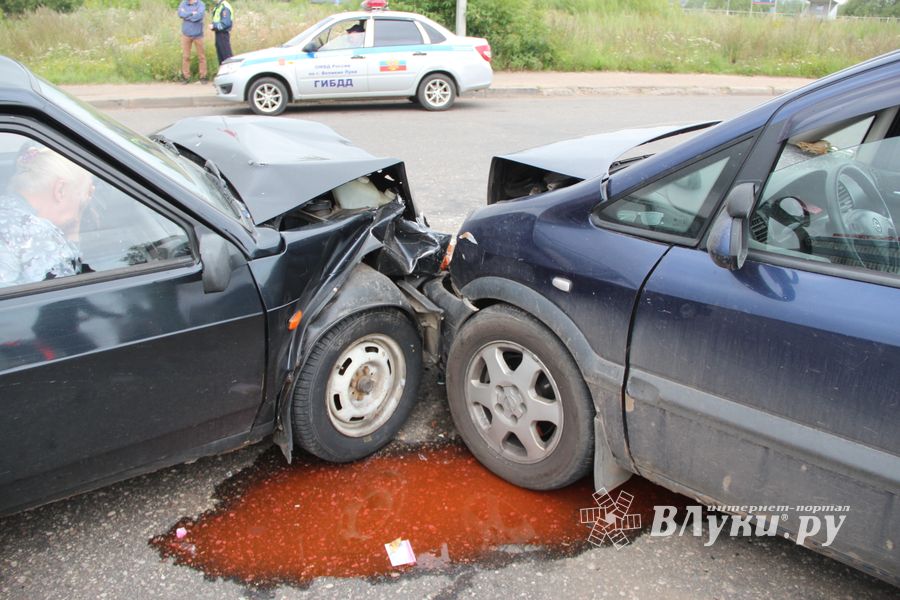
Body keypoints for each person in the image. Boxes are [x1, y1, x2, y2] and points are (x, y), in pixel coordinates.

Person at [0, 145, 94, 288]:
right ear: (60, 190)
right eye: (81, 199)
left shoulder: (6, 209)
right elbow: (69, 291)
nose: (81, 207)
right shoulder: (35, 232)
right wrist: (75, 225)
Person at [178, 0, 208, 83]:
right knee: (186, 56)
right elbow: (180, 14)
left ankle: (203, 76)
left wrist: (187, 14)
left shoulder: (201, 4)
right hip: (186, 34)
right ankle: (186, 77)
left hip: (198, 34)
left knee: (201, 57)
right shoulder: (183, 3)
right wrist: (192, 13)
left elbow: (200, 16)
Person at [210, 0, 234, 65]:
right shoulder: (218, 6)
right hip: (218, 34)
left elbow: (226, 23)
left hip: (223, 34)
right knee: (221, 59)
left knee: (226, 57)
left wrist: (214, 26)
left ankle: (231, 72)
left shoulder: (225, 6)